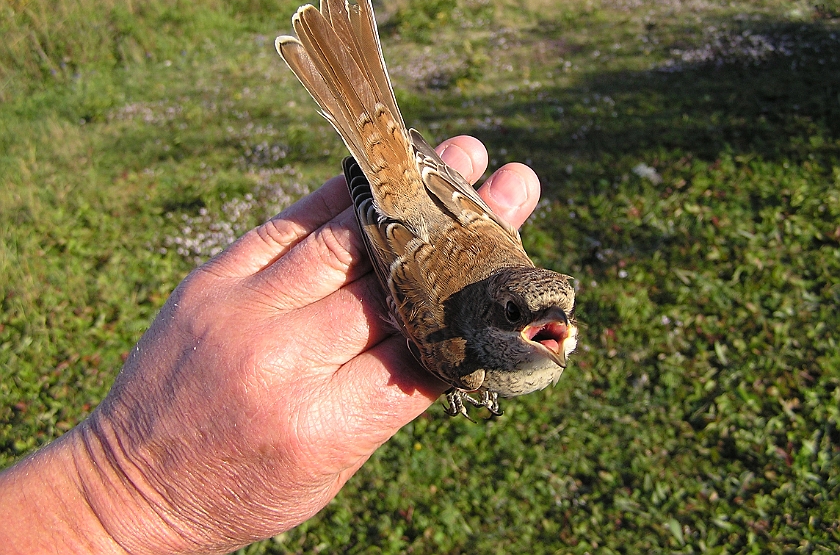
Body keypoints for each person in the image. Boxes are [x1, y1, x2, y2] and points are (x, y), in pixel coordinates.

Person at [0, 135, 541, 554]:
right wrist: (129, 492)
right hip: (405, 213)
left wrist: (112, 489)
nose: (556, 327)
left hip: (419, 199)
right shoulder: (454, 346)